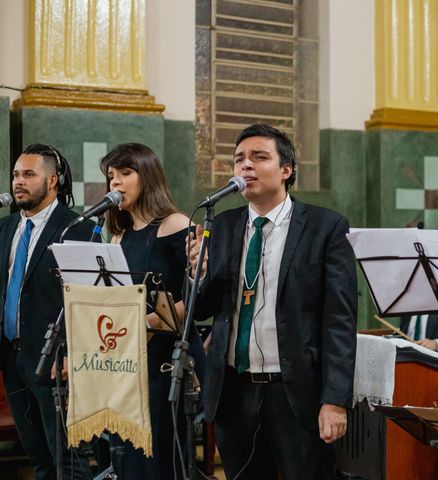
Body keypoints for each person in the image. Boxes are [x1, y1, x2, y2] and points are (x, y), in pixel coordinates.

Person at [189, 124, 358, 479]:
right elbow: (203, 311)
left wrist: (335, 400)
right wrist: (197, 276)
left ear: (286, 170)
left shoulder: (324, 227)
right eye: (239, 160)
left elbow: (339, 320)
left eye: (259, 157)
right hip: (234, 392)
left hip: (297, 392)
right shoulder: (220, 226)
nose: (245, 166)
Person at [100, 143, 205, 479]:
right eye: (111, 176)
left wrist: (144, 321)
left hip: (167, 358)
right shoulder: (118, 236)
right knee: (128, 457)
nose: (115, 182)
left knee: (160, 457)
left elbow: (194, 297)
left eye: (125, 173)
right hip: (128, 357)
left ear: (147, 176)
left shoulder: (176, 224)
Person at [0, 144, 93, 479]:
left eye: (28, 174)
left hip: (56, 361)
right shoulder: (6, 228)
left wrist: (75, 355)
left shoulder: (78, 227)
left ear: (53, 180)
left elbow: (88, 299)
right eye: (15, 175)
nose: (18, 182)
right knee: (37, 457)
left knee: (68, 461)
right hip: (13, 358)